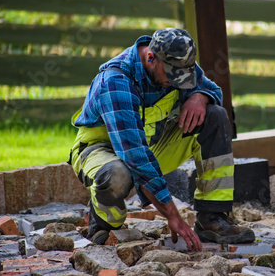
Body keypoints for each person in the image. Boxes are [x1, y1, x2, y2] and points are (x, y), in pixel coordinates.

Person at [68, 28, 255, 251]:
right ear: (151, 58)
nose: (178, 83)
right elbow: (134, 155)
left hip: (152, 146)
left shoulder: (179, 63)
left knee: (215, 117)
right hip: (101, 151)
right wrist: (172, 215)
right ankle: (103, 221)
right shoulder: (116, 81)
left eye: (183, 77)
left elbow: (212, 89)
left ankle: (212, 218)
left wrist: (200, 96)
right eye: (172, 77)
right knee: (118, 175)